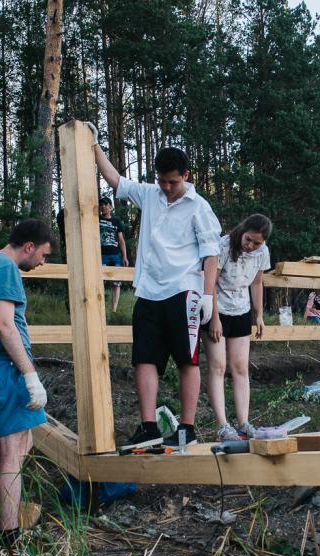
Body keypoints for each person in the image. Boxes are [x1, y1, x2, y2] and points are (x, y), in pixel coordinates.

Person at [88, 124, 220, 450]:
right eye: (162, 180)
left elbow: (211, 256)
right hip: (148, 289)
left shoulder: (199, 207)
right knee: (144, 358)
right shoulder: (149, 194)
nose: (166, 187)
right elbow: (115, 180)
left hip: (184, 291)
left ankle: (186, 428)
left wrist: (207, 297)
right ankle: (148, 427)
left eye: (172, 181)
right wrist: (94, 146)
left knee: (186, 360)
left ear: (186, 175)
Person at [0, 219, 55, 549]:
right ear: (28, 246)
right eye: (43, 255)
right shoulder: (5, 268)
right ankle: (8, 536)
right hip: (3, 366)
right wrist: (29, 375)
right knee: (13, 451)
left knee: (23, 441)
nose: (43, 263)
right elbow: (5, 326)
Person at [205, 214, 273, 441]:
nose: (251, 246)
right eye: (248, 240)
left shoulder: (262, 252)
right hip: (218, 309)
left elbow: (256, 282)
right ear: (242, 230)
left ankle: (243, 422)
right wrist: (214, 318)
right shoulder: (223, 246)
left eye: (257, 243)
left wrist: (259, 315)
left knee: (240, 367)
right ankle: (223, 425)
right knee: (218, 366)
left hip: (241, 309)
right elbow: (211, 282)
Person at [98, 196, 129, 313]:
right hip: (101, 255)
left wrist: (124, 256)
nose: (103, 207)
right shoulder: (97, 219)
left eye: (106, 204)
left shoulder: (116, 221)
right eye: (101, 205)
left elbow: (121, 240)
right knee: (100, 280)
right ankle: (100, 307)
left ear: (110, 207)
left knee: (116, 282)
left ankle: (114, 310)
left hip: (116, 255)